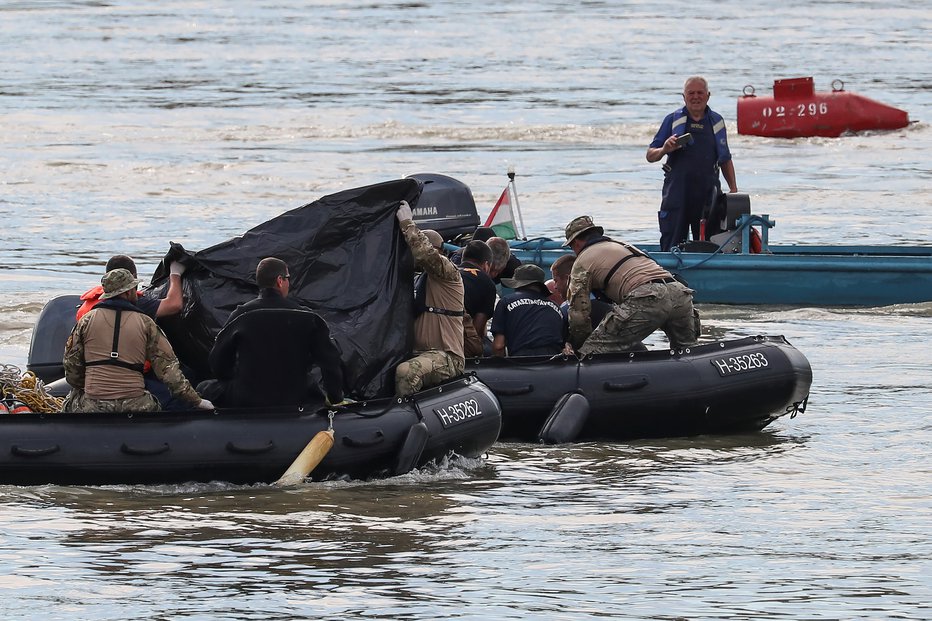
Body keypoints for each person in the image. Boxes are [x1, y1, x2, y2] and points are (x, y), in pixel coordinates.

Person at [197, 257, 344, 408]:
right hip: (297, 397)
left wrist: (233, 377)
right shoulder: (308, 317)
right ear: (280, 281)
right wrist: (334, 397)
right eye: (288, 278)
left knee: (203, 388)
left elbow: (217, 362)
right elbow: (330, 362)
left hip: (246, 397)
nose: (289, 283)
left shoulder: (240, 315)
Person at [62, 269, 212, 413]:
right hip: (135, 405)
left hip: (92, 406)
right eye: (135, 288)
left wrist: (87, 387)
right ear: (127, 292)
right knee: (166, 402)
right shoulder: (146, 323)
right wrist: (197, 401)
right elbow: (169, 371)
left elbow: (71, 366)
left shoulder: (85, 321)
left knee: (70, 399)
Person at [562, 216, 700, 354]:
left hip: (647, 297)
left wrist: (577, 344)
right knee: (688, 351)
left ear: (576, 242)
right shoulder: (622, 245)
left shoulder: (582, 261)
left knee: (591, 351)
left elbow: (578, 313)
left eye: (571, 246)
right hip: (679, 292)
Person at [646, 75, 738, 251]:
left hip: (708, 195)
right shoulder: (672, 120)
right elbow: (650, 155)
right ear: (684, 96)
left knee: (710, 246)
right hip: (677, 192)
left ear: (708, 95)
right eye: (691, 93)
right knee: (671, 241)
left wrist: (733, 189)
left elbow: (725, 159)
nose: (696, 97)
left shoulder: (717, 122)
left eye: (700, 93)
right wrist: (664, 149)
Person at [396, 200, 466, 396]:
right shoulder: (418, 280)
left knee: (407, 372)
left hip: (447, 357)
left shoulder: (449, 274)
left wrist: (407, 224)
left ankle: (408, 418)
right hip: (419, 353)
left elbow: (426, 255)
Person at [77, 254, 186, 321]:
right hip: (123, 357)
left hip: (92, 356)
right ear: (132, 278)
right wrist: (175, 274)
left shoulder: (90, 303)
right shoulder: (134, 303)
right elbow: (174, 305)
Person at [490, 264, 564, 357]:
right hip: (553, 365)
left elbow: (498, 346)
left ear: (517, 285)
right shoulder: (556, 308)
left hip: (521, 364)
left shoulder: (506, 302)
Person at [550, 253, 613, 331]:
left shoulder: (565, 311)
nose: (555, 286)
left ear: (567, 279)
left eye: (556, 281)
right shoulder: (610, 306)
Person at [459, 240, 497, 353]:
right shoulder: (486, 283)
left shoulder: (452, 271)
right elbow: (477, 331)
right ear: (486, 265)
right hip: (459, 341)